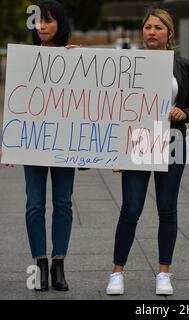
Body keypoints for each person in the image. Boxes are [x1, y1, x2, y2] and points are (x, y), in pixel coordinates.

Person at [106, 8, 189, 296]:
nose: (152, 32)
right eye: (147, 27)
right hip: (138, 141)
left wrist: (184, 112)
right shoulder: (130, 64)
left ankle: (163, 274)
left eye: (158, 27)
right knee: (131, 209)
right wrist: (118, 150)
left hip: (172, 142)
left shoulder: (182, 66)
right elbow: (114, 106)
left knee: (167, 210)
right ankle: (117, 273)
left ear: (169, 33)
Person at [25, 0, 74, 291]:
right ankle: (40, 263)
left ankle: (59, 264)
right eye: (38, 21)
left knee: (63, 203)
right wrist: (9, 141)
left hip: (65, 142)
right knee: (34, 204)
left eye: (49, 21)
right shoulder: (26, 59)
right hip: (32, 141)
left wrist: (82, 61)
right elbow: (15, 104)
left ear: (60, 24)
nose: (41, 26)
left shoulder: (76, 59)